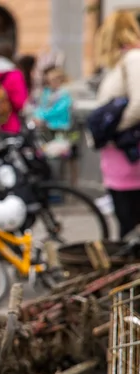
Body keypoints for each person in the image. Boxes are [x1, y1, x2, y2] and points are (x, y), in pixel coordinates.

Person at [94, 11, 140, 238]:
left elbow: (139, 103)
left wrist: (113, 129)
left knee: (129, 224)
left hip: (129, 157)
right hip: (122, 158)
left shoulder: (133, 59)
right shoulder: (127, 60)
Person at [34, 67, 77, 184]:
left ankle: (61, 184)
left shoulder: (64, 94)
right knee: (47, 155)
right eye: (49, 80)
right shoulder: (46, 93)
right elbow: (39, 107)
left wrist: (43, 116)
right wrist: (38, 116)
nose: (51, 83)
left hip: (61, 129)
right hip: (47, 129)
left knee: (61, 157)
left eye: (54, 80)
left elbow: (59, 110)